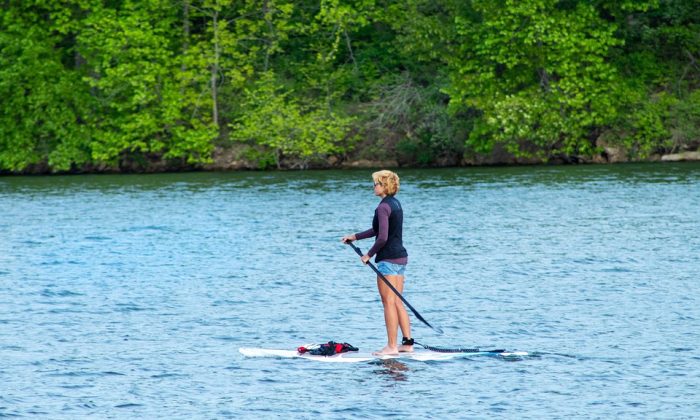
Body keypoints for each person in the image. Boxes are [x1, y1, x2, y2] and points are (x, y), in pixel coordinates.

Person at [341, 170, 413, 356]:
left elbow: (382, 237)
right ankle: (407, 343)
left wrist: (368, 255)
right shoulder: (395, 204)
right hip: (400, 257)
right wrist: (355, 237)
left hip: (388, 259)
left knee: (388, 302)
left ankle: (391, 347)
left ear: (384, 185)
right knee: (397, 301)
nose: (373, 187)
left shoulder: (382, 207)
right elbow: (377, 230)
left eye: (376, 184)